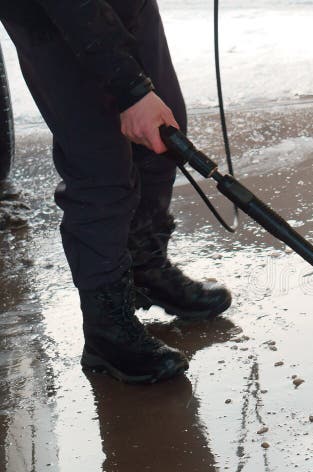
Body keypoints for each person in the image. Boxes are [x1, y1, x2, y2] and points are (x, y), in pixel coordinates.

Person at [0, 0, 231, 383]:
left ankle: (144, 265)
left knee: (163, 132)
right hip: (53, 14)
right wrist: (131, 89)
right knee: (100, 167)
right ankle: (107, 330)